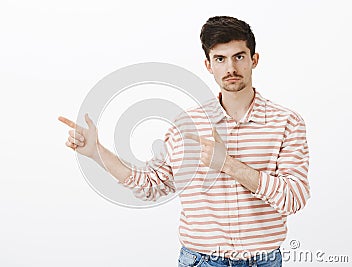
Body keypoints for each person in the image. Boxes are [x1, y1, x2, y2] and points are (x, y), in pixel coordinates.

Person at [59, 16, 310, 267]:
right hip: (201, 261)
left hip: (263, 261)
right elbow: (150, 184)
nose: (230, 68)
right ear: (208, 65)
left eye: (239, 56)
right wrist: (96, 152)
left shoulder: (286, 122)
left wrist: (228, 165)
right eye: (220, 59)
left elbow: (294, 197)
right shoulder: (186, 125)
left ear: (254, 60)